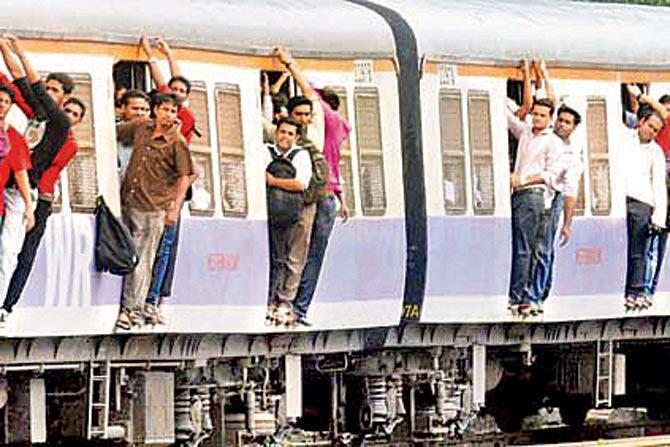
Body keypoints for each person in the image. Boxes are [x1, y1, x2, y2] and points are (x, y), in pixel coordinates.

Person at [0, 35, 84, 321]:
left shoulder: (61, 125)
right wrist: (4, 48)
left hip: (31, 194)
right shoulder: (36, 114)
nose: (47, 92)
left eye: (55, 90)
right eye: (48, 88)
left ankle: (5, 305)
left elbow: (31, 82)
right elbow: (19, 79)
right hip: (10, 187)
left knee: (15, 251)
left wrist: (22, 53)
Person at [115, 92, 192, 329]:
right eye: (165, 110)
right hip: (128, 200)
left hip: (153, 207)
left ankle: (132, 308)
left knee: (142, 258)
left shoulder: (177, 142)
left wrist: (174, 209)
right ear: (155, 110)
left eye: (173, 112)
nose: (168, 115)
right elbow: (112, 133)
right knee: (124, 254)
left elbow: (185, 176)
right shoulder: (140, 128)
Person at [141, 35, 197, 322]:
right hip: (155, 191)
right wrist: (157, 55)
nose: (174, 94)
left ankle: (153, 299)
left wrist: (163, 56)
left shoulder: (183, 120)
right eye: (171, 92)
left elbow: (170, 82)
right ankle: (148, 298)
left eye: (180, 93)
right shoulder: (159, 120)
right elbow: (167, 83)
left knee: (164, 247)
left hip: (171, 192)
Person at [507, 98, 563, 317]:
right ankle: (521, 295)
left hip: (534, 196)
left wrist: (522, 180)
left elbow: (551, 176)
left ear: (550, 119)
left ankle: (518, 296)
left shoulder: (553, 142)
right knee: (523, 248)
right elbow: (508, 117)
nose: (537, 118)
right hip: (521, 195)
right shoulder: (526, 133)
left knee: (526, 249)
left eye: (542, 115)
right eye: (535, 114)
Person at [528, 103, 583, 311]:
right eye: (560, 120)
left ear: (574, 127)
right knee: (531, 247)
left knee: (543, 247)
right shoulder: (543, 138)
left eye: (567, 122)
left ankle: (538, 294)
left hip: (553, 198)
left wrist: (567, 224)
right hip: (533, 194)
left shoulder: (571, 155)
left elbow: (570, 191)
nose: (562, 124)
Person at [265, 118, 313, 325]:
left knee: (292, 258)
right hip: (269, 211)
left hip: (294, 213)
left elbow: (300, 184)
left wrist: (274, 181)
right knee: (274, 257)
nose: (285, 136)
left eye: (290, 134)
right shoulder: (265, 151)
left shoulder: (301, 155)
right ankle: (269, 299)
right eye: (282, 132)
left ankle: (284, 301)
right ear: (276, 132)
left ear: (297, 137)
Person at [622, 106, 667, 310]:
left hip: (642, 202)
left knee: (639, 250)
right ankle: (622, 289)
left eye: (656, 130)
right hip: (621, 199)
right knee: (621, 249)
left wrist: (658, 218)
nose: (651, 131)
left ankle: (636, 290)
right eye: (650, 126)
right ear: (640, 122)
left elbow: (658, 185)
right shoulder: (623, 140)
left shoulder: (655, 151)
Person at [0, 83, 33, 235]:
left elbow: (21, 173)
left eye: (6, 102)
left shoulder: (13, 137)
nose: (2, 104)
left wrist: (28, 206)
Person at [116, 89, 150, 182]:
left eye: (144, 110)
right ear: (123, 108)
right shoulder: (112, 132)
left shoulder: (154, 134)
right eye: (135, 108)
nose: (140, 113)